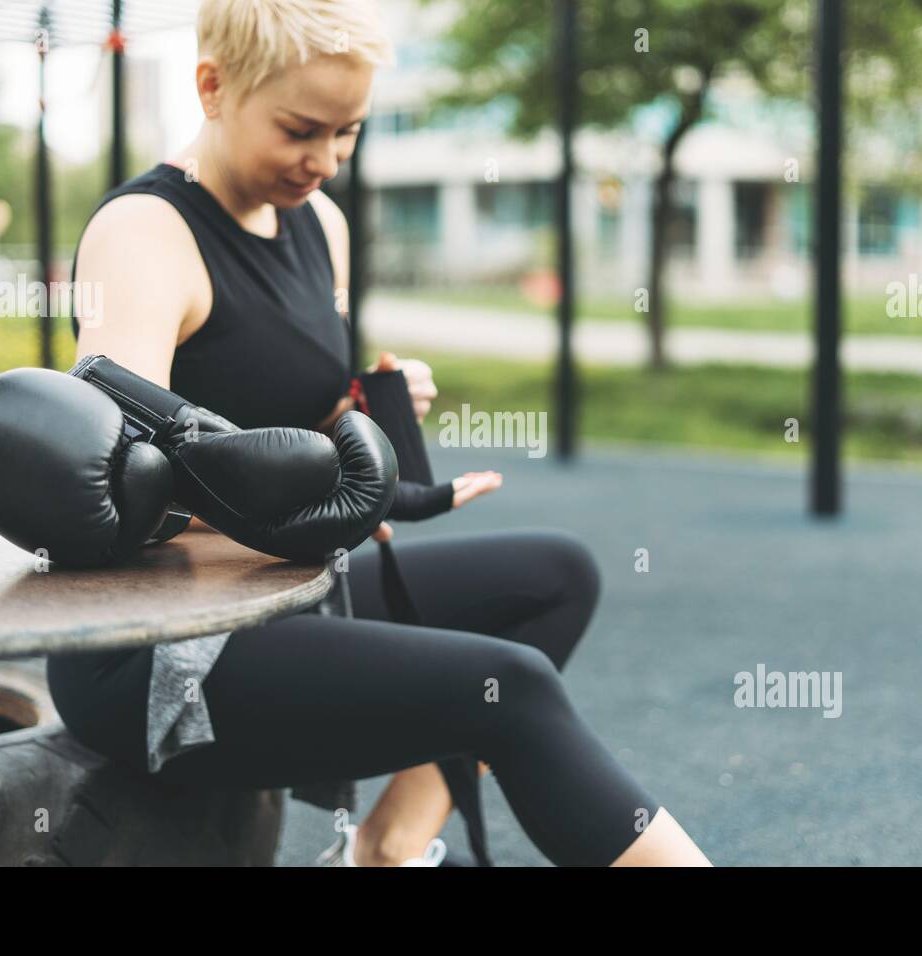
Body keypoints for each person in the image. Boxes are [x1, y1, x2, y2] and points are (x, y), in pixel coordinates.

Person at [46, 0, 711, 867]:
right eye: (299, 130)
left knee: (557, 577)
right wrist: (318, 490)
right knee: (509, 687)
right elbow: (109, 478)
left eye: (348, 133)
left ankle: (384, 850)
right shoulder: (146, 234)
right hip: (158, 651)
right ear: (213, 88)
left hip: (288, 591)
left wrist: (362, 416)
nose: (323, 161)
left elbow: (287, 410)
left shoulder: (321, 224)